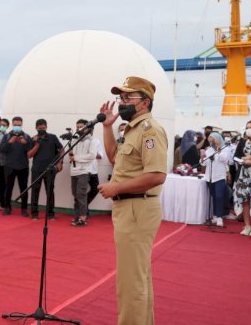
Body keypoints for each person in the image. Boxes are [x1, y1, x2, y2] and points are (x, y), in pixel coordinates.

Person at [98, 76, 167, 325]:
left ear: (145, 102)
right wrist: (107, 127)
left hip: (138, 206)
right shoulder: (131, 129)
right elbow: (115, 157)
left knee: (130, 280)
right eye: (121, 97)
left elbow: (157, 175)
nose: (122, 102)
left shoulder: (150, 130)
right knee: (138, 275)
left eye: (128, 97)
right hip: (128, 206)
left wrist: (116, 187)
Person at [27, 118, 62, 220]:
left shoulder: (52, 137)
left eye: (43, 128)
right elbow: (29, 155)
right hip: (37, 169)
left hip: (50, 169)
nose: (42, 129)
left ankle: (51, 214)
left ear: (46, 127)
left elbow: (61, 150)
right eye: (40, 128)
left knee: (50, 191)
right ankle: (34, 214)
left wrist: (60, 162)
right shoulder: (32, 139)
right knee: (35, 191)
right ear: (36, 128)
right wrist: (37, 143)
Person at [0, 116, 32, 216]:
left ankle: (24, 209)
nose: (17, 127)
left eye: (19, 125)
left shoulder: (26, 136)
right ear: (12, 125)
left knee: (24, 188)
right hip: (9, 166)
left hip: (23, 166)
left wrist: (25, 143)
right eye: (15, 125)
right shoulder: (6, 136)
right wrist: (10, 142)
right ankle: (7, 208)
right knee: (8, 188)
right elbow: (2, 149)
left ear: (22, 125)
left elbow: (31, 151)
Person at [68, 119, 98, 227]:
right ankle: (77, 216)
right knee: (75, 194)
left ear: (87, 127)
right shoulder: (73, 140)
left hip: (84, 171)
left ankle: (83, 218)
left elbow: (92, 156)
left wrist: (75, 158)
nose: (79, 129)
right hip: (73, 171)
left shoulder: (92, 140)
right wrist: (72, 155)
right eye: (77, 127)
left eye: (81, 126)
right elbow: (71, 156)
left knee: (81, 194)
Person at [201, 132, 230, 227]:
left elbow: (223, 160)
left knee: (219, 196)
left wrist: (218, 149)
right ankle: (214, 216)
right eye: (210, 141)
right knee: (213, 197)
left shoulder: (225, 149)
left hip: (219, 177)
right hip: (209, 177)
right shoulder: (209, 150)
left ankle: (220, 217)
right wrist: (201, 159)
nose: (211, 143)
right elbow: (204, 164)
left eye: (213, 140)